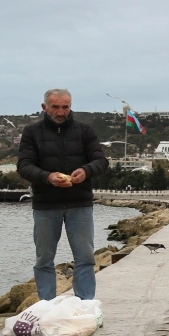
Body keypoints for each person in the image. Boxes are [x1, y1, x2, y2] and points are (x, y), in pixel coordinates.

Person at [17, 88, 109, 302]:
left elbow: (101, 161)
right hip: (45, 206)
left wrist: (86, 171)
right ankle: (46, 306)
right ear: (44, 107)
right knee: (44, 259)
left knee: (85, 257)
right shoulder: (32, 132)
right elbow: (23, 165)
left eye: (65, 107)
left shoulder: (85, 131)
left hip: (80, 204)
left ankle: (85, 305)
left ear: (70, 106)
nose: (61, 112)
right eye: (55, 107)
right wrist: (47, 177)